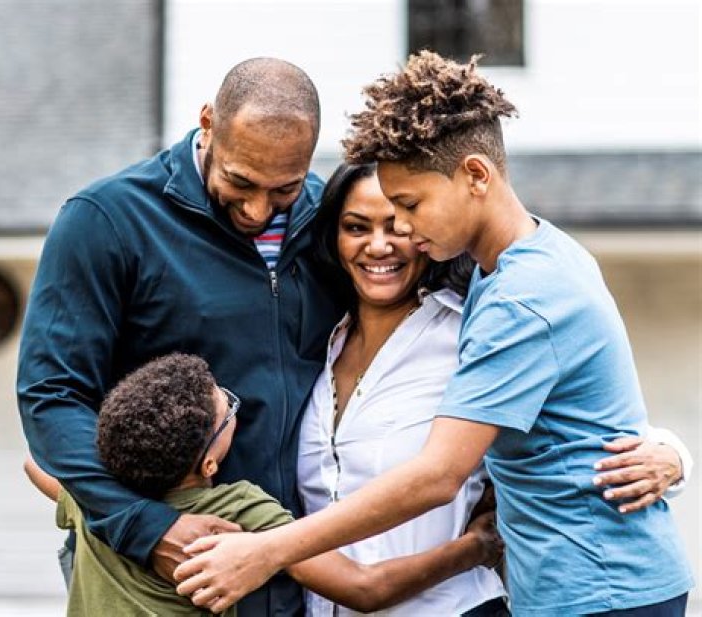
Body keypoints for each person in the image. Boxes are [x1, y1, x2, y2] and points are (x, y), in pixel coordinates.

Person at [174, 52, 695, 616]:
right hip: (572, 586)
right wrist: (671, 452)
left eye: (410, 205)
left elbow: (439, 475)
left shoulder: (522, 296)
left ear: (476, 175)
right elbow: (579, 417)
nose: (401, 227)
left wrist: (267, 550)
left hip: (602, 590)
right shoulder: (520, 267)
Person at [16, 57, 342, 616]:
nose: (258, 210)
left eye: (283, 189)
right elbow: (52, 396)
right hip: (151, 570)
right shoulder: (107, 220)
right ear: (207, 123)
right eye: (240, 181)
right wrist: (149, 528)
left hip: (291, 571)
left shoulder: (330, 221)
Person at [296, 162, 692, 617]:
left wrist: (673, 454)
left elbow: (575, 416)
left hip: (459, 606)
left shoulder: (475, 328)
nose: (381, 243)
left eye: (401, 219)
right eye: (356, 227)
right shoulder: (313, 340)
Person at [24, 353, 504, 616]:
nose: (233, 403)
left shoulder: (96, 501)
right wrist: (474, 548)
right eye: (227, 407)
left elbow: (35, 465)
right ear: (209, 462)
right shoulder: (236, 508)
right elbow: (364, 588)